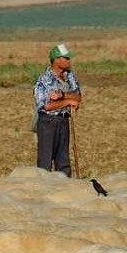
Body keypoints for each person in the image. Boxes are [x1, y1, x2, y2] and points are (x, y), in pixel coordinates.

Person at [33, 43, 82, 176]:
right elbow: (46, 106)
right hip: (48, 122)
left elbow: (78, 97)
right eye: (66, 58)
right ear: (57, 60)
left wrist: (62, 96)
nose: (68, 61)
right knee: (45, 162)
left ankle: (65, 191)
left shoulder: (69, 77)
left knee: (63, 161)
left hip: (64, 121)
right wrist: (68, 101)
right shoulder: (44, 80)